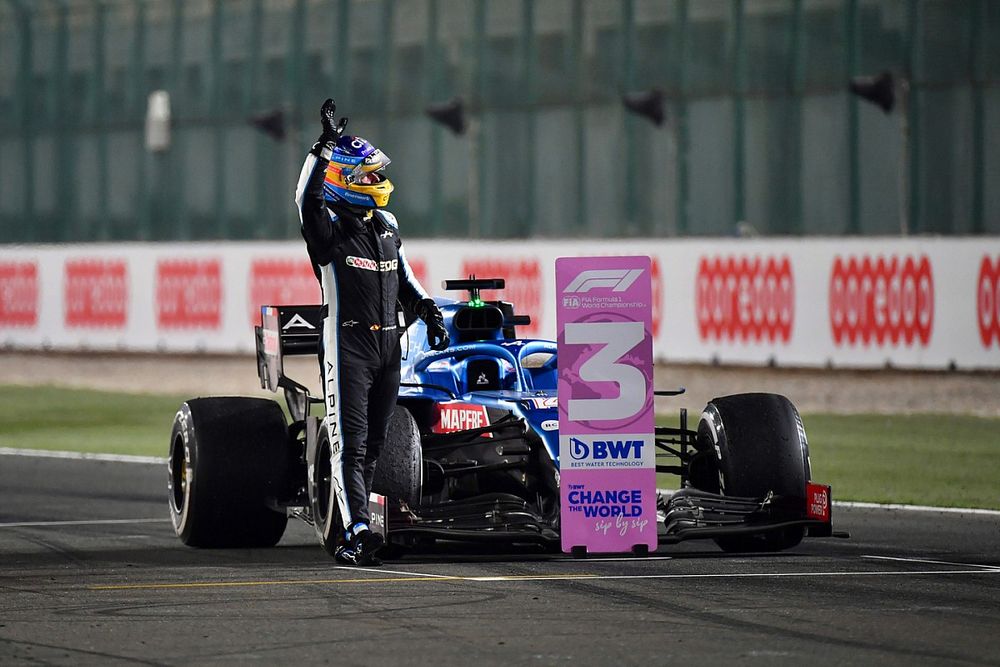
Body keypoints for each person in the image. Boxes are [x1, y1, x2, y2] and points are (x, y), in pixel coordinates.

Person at [294, 99, 450, 565]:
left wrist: (428, 309)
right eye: (365, 176)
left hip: (388, 348)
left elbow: (405, 279)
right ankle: (356, 532)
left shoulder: (386, 226)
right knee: (349, 442)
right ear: (343, 181)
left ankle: (358, 522)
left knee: (377, 445)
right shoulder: (327, 232)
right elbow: (305, 198)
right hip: (347, 345)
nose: (376, 182)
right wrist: (320, 150)